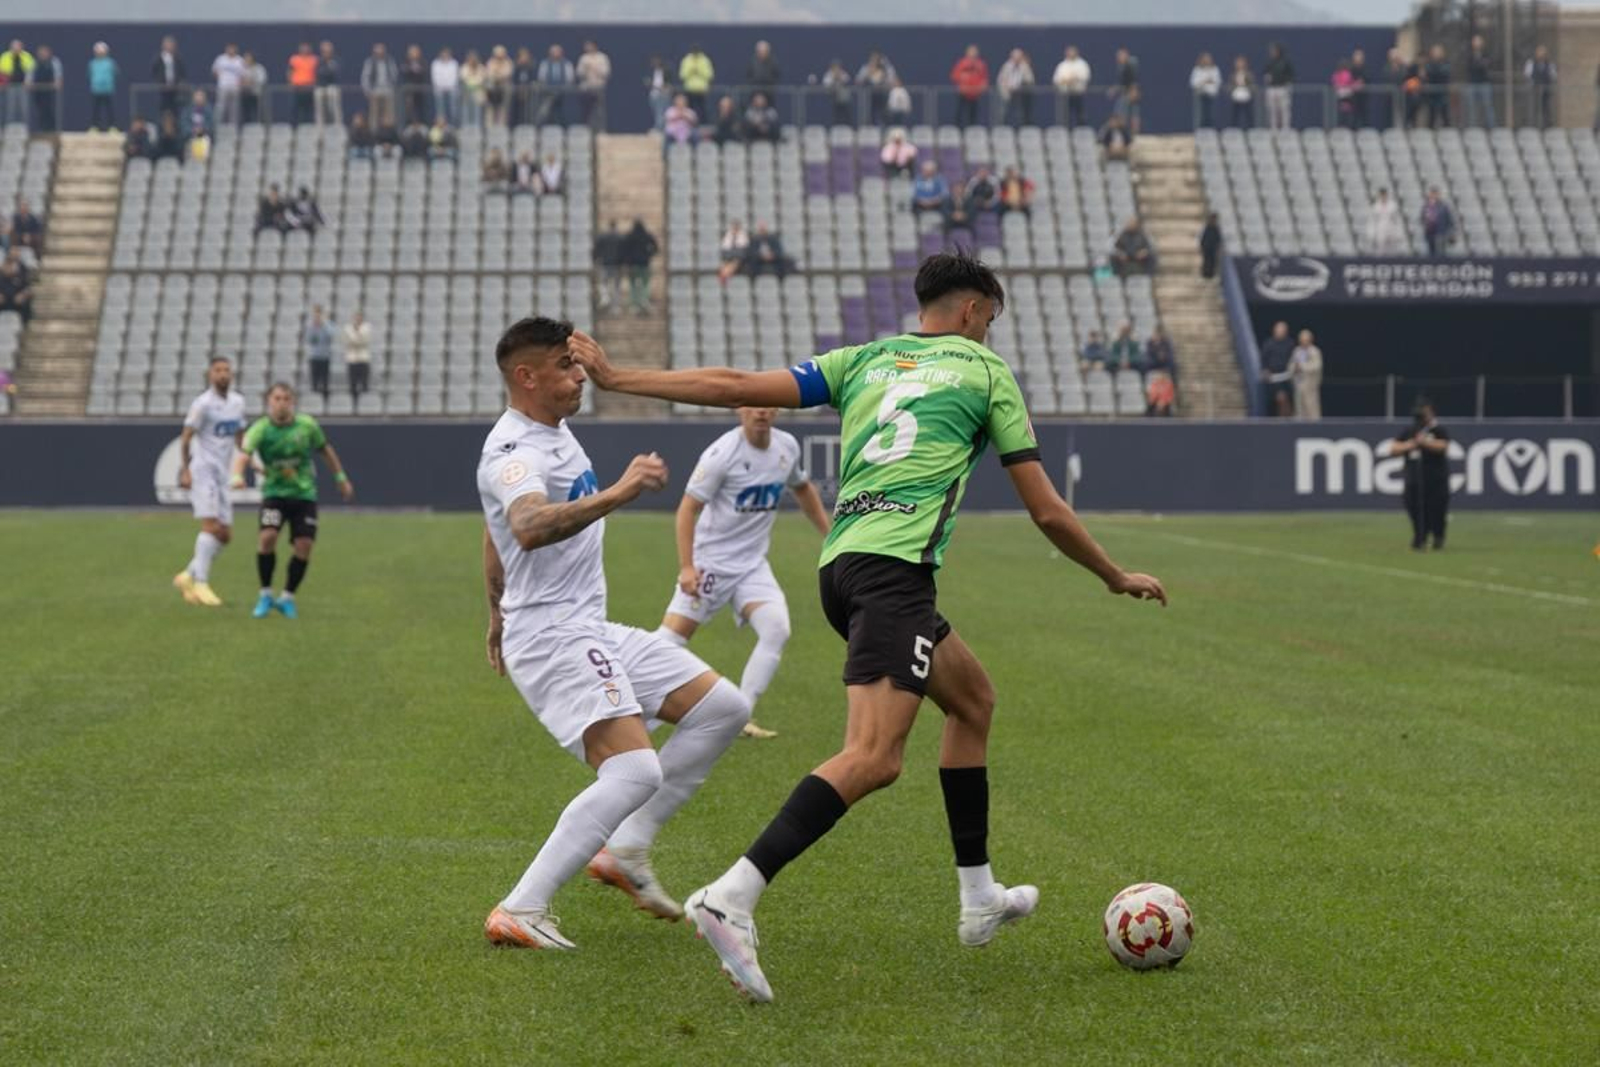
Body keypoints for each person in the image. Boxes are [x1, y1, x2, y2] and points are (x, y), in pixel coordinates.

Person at [567, 252, 1167, 1003]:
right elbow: (1045, 508)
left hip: (843, 566)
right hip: (893, 575)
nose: (992, 332)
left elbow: (735, 385)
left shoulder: (863, 360)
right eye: (994, 319)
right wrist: (1113, 574)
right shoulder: (985, 374)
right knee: (874, 756)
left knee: (973, 701)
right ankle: (733, 893)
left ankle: (979, 896)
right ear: (976, 310)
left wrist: (623, 379)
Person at [475, 316, 752, 951]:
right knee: (632, 771)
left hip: (580, 624)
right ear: (526, 376)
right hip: (553, 637)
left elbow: (493, 532)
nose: (579, 377)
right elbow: (527, 525)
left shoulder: (552, 431)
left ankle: (624, 848)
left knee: (722, 709)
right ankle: (522, 907)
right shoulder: (516, 452)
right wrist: (624, 490)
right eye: (566, 367)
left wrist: (495, 608)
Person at [658, 408, 832, 741]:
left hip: (752, 565)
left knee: (776, 629)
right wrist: (687, 566)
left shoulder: (787, 447)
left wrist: (830, 535)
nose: (761, 411)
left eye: (768, 404)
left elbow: (804, 488)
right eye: (753, 404)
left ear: (777, 409)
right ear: (740, 410)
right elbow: (687, 509)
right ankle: (623, 698)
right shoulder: (722, 454)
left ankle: (740, 715)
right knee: (670, 642)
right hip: (712, 563)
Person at [229, 382, 355, 620]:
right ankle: (265, 594)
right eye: (277, 398)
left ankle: (287, 597)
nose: (281, 403)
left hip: (303, 495)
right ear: (269, 402)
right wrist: (236, 475)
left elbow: (325, 450)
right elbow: (243, 455)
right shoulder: (261, 429)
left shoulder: (307, 426)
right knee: (267, 538)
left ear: (293, 402)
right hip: (274, 495)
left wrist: (340, 478)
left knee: (304, 546)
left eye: (286, 399)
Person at [172, 356, 247, 608]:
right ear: (210, 375)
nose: (223, 374)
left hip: (222, 473)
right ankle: (201, 584)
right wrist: (185, 470)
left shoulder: (238, 402)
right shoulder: (202, 404)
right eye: (218, 370)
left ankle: (187, 575)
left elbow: (240, 439)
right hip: (203, 470)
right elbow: (185, 438)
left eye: (227, 370)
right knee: (211, 526)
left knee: (225, 535)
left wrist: (254, 463)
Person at [1391, 399, 1450, 551]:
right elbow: (1394, 448)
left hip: (1435, 478)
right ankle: (1420, 536)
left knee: (1437, 509)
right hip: (1414, 478)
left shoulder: (1438, 430)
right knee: (1413, 507)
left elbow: (1443, 446)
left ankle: (1438, 537)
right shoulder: (1409, 430)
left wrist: (1424, 443)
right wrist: (1411, 444)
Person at [620, 218, 658, 316]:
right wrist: (649, 255)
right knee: (645, 284)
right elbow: (656, 248)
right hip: (644, 264)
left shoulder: (629, 236)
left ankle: (634, 304)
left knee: (633, 285)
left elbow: (624, 251)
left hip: (633, 265)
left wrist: (626, 262)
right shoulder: (647, 235)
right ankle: (644, 301)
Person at [1259, 320, 1294, 416]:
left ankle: (1289, 421)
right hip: (1273, 378)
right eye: (1278, 329)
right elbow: (1263, 359)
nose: (1280, 331)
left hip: (1287, 377)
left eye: (1282, 329)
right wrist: (1265, 370)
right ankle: (1282, 423)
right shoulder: (1268, 344)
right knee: (1281, 398)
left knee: (1286, 400)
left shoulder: (1290, 343)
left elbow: (1294, 359)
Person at [950, 44, 989, 129]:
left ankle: (972, 133)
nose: (973, 53)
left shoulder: (981, 64)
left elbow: (984, 78)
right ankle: (958, 132)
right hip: (963, 93)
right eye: (971, 51)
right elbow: (954, 75)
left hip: (975, 94)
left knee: (973, 115)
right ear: (967, 53)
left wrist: (982, 86)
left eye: (974, 52)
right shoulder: (961, 63)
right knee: (960, 114)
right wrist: (961, 82)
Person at [361, 43, 399, 131]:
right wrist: (367, 91)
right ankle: (373, 131)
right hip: (375, 90)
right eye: (377, 52)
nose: (379, 54)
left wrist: (392, 88)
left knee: (389, 113)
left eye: (381, 52)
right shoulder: (370, 62)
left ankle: (389, 131)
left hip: (387, 90)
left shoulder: (390, 61)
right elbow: (365, 77)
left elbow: (395, 74)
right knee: (374, 114)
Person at [1052, 45, 1091, 128]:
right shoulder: (1062, 65)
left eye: (1072, 52)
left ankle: (1081, 132)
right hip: (1065, 95)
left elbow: (1085, 76)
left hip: (1078, 94)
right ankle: (1067, 132)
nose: (1071, 54)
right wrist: (1064, 81)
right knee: (1066, 116)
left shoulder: (1082, 64)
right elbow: (1056, 79)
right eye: (1069, 52)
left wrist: (1073, 79)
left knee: (1080, 115)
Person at [27, 45, 63, 133]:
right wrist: (28, 83)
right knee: (40, 110)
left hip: (50, 92)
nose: (43, 55)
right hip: (38, 91)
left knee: (50, 109)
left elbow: (58, 74)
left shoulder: (54, 62)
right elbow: (29, 74)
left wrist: (57, 83)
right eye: (41, 53)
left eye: (44, 53)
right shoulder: (34, 63)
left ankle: (52, 129)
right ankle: (41, 129)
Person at [576, 40, 611, 130]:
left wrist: (594, 68)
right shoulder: (583, 58)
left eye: (589, 46)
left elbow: (606, 73)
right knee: (586, 110)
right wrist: (585, 68)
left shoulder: (602, 57)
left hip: (598, 88)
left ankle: (600, 129)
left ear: (594, 46)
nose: (587, 48)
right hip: (586, 88)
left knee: (599, 110)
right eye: (586, 46)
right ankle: (587, 129)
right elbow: (579, 73)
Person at [996, 48, 1035, 128]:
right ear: (1011, 57)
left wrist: (1027, 68)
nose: (1017, 59)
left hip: (1019, 95)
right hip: (1006, 94)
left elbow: (1030, 80)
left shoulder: (1024, 66)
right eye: (1015, 57)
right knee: (1003, 113)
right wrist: (1006, 87)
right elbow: (1000, 80)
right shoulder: (1006, 66)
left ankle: (1019, 129)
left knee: (1019, 114)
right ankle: (1002, 129)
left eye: (1019, 57)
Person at [1290, 329, 1322, 421]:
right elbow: (1291, 365)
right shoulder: (1297, 351)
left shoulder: (1315, 351)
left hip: (1310, 386)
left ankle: (1315, 429)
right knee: (1299, 408)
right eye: (1302, 339)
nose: (1304, 342)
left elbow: (1316, 366)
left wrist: (1302, 367)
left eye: (1306, 340)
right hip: (1298, 384)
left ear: (1310, 340)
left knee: (1311, 408)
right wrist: (1294, 368)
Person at [88, 42, 120, 132]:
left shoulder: (111, 63)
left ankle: (112, 126)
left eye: (102, 52)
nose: (100, 53)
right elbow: (90, 74)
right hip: (96, 90)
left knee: (110, 109)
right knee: (96, 109)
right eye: (98, 52)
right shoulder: (92, 63)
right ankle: (94, 127)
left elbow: (116, 72)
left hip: (108, 89)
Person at [342, 310, 372, 407]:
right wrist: (357, 339)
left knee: (364, 384)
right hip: (352, 359)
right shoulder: (347, 328)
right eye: (356, 317)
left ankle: (366, 406)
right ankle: (353, 405)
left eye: (359, 317)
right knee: (352, 384)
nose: (357, 319)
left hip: (363, 359)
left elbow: (365, 340)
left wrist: (355, 338)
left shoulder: (367, 327)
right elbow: (346, 341)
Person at [305, 304, 335, 399]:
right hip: (314, 355)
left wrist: (324, 324)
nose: (317, 316)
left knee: (325, 378)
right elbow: (309, 339)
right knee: (315, 377)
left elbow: (332, 334)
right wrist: (314, 327)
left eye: (319, 313)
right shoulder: (310, 325)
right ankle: (314, 397)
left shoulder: (328, 324)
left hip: (325, 355)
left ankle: (324, 397)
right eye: (315, 314)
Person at [1464, 36, 1494, 129]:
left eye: (1479, 41)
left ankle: (1491, 127)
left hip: (1484, 83)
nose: (1477, 44)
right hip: (1472, 83)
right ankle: (1472, 127)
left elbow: (1486, 66)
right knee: (1471, 107)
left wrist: (1479, 64)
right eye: (1475, 41)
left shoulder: (1486, 54)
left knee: (1488, 106)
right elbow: (1470, 67)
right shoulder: (1469, 55)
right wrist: (1479, 64)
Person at [594, 219, 623, 311]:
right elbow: (624, 251)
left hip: (605, 263)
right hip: (616, 264)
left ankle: (605, 298)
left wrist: (596, 258)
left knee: (603, 283)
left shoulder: (602, 237)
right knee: (616, 287)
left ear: (609, 226)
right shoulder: (620, 237)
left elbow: (596, 249)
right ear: (615, 226)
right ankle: (615, 307)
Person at [1364, 188, 1405, 255]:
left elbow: (1397, 220)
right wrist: (1371, 233)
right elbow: (1372, 221)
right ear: (1379, 196)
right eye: (1381, 195)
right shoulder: (1375, 206)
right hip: (1380, 229)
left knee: (1392, 251)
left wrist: (1399, 233)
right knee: (1380, 250)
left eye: (1384, 195)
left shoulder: (1393, 206)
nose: (1383, 197)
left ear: (1387, 195)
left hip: (1391, 229)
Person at [1263, 42, 1294, 130]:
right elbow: (1266, 74)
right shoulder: (1270, 63)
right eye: (1272, 51)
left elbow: (1291, 75)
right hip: (1272, 89)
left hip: (1282, 88)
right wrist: (1267, 79)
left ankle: (1286, 128)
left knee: (1284, 110)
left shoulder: (1285, 63)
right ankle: (1273, 128)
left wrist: (1288, 85)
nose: (1272, 53)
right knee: (1272, 110)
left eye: (1274, 51)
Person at [679, 45, 714, 119]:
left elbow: (709, 75)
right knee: (689, 109)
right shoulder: (686, 60)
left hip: (701, 89)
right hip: (689, 89)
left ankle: (702, 124)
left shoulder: (705, 60)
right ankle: (690, 124)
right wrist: (691, 70)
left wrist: (699, 71)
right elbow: (682, 75)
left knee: (702, 109)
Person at [288, 42, 319, 126]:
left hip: (309, 88)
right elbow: (290, 72)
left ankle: (308, 129)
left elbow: (317, 73)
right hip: (298, 88)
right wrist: (291, 83)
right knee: (295, 110)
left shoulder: (314, 59)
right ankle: (294, 130)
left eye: (306, 48)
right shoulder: (294, 59)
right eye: (303, 48)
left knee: (308, 110)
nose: (304, 50)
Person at [1525, 46, 1556, 130]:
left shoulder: (1549, 64)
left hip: (1546, 90)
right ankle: (1533, 125)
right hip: (1535, 89)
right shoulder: (1531, 63)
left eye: (1543, 53)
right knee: (1534, 107)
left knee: (1546, 108)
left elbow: (1553, 75)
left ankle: (1547, 125)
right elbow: (1528, 75)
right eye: (1539, 53)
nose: (1541, 55)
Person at [1420, 186, 1456, 258]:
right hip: (1429, 232)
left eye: (1435, 193)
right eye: (1432, 193)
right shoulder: (1426, 206)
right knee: (1431, 252)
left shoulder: (1443, 206)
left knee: (1441, 251)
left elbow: (1449, 220)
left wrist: (1451, 232)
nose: (1434, 195)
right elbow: (1422, 218)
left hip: (1441, 232)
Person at [1423, 44, 1451, 129]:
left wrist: (1436, 71)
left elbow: (1443, 74)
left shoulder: (1446, 63)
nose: (1436, 54)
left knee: (1445, 117)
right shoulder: (1428, 64)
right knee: (1431, 118)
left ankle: (1448, 134)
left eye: (1438, 52)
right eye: (1435, 52)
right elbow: (1429, 74)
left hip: (1442, 94)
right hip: (1432, 95)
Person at [0, 251, 32, 325]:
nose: (9, 268)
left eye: (11, 265)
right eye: (7, 265)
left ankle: (24, 326)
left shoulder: (20, 277)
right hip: (3, 302)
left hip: (16, 302)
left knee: (25, 303)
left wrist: (23, 295)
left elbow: (28, 289)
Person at [431, 47, 460, 128]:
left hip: (451, 89)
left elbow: (454, 77)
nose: (445, 56)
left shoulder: (454, 63)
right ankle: (441, 126)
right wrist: (442, 86)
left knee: (453, 108)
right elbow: (435, 77)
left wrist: (449, 86)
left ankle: (453, 125)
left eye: (446, 54)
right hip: (439, 89)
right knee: (440, 110)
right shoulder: (435, 63)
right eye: (443, 54)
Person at [1190, 53, 1221, 129]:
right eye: (1205, 59)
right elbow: (1193, 83)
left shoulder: (1215, 69)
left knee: (1211, 115)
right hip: (1201, 96)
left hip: (1212, 96)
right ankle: (1201, 130)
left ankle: (1212, 130)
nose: (1207, 61)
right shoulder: (1197, 70)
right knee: (1202, 115)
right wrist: (1204, 81)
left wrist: (1209, 82)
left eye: (1208, 59)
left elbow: (1218, 82)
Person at [315, 41, 341, 126]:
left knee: (334, 103)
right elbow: (319, 74)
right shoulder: (319, 61)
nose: (327, 53)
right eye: (324, 51)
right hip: (321, 87)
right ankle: (320, 129)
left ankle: (337, 126)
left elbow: (334, 74)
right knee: (318, 97)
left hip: (332, 87)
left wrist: (327, 71)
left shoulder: (335, 61)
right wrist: (327, 71)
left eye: (328, 51)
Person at [821, 60, 853, 128]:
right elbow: (826, 83)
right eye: (834, 67)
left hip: (843, 99)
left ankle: (849, 129)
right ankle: (833, 130)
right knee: (834, 116)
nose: (836, 68)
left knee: (846, 115)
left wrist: (839, 77)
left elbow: (847, 80)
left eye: (837, 67)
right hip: (832, 99)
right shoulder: (828, 74)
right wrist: (834, 78)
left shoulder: (843, 73)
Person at [1228, 56, 1255, 128]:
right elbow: (1230, 86)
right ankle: (1234, 130)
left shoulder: (1249, 74)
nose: (1240, 64)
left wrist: (1246, 84)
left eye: (1241, 63)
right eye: (1238, 63)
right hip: (1236, 97)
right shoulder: (1233, 75)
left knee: (1248, 116)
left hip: (1246, 96)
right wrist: (1235, 86)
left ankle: (1250, 130)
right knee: (1235, 116)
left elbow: (1252, 85)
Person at [1199, 211, 1222, 279]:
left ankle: (1211, 275)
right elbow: (1203, 238)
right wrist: (1203, 246)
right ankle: (1205, 274)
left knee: (1213, 261)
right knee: (1206, 261)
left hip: (1213, 248)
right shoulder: (1207, 228)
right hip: (1206, 248)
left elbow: (1218, 239)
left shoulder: (1216, 229)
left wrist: (1217, 247)